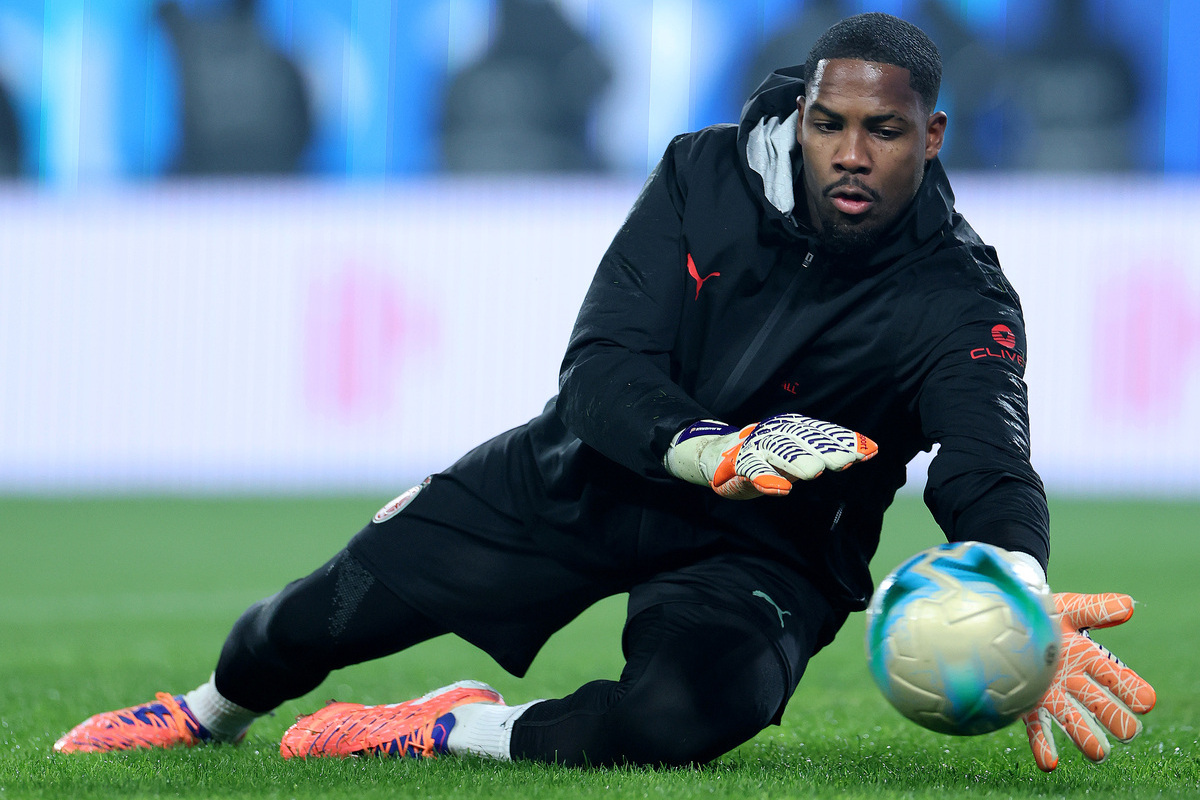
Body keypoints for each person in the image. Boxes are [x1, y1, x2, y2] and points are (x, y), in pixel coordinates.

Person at [53, 13, 1155, 772]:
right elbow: (601, 371)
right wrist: (708, 447)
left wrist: (1017, 576)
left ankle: (452, 731)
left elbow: (986, 458)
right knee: (324, 608)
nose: (851, 153)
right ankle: (203, 714)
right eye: (833, 125)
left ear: (935, 136)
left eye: (885, 130)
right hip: (602, 471)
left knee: (684, 717)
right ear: (806, 118)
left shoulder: (959, 292)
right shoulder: (704, 173)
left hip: (771, 547)